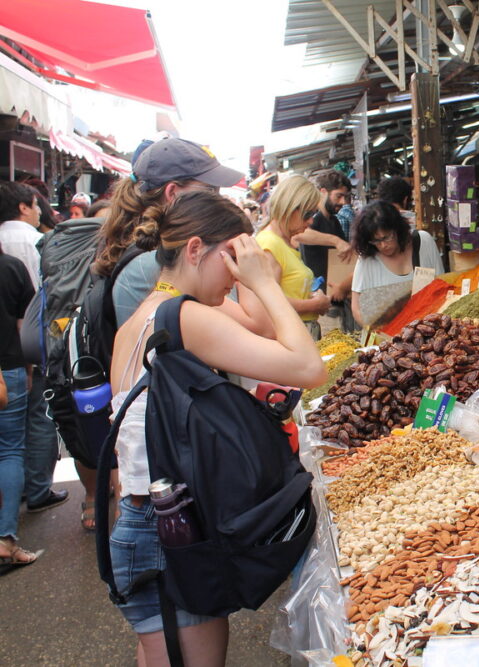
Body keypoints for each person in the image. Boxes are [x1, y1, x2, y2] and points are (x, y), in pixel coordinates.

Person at [109, 190, 324, 665]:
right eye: (231, 260)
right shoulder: (185, 318)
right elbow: (309, 368)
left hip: (143, 520)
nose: (235, 276)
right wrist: (265, 282)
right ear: (193, 250)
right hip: (171, 533)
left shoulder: (140, 320)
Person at [81, 136, 265, 531]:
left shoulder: (148, 257)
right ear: (173, 193)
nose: (218, 199)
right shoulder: (158, 270)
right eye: (209, 190)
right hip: (165, 493)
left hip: (155, 486)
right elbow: (260, 331)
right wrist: (254, 275)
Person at [0, 182, 66, 513]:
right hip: (26, 347)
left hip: (9, 352)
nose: (40, 211)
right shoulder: (35, 240)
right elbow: (36, 302)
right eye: (36, 205)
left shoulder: (5, 239)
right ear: (24, 207)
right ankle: (37, 488)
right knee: (37, 416)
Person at [0, 245, 41, 567]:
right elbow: (21, 326)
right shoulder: (11, 267)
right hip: (8, 367)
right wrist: (28, 370)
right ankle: (5, 539)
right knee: (10, 450)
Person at [255, 175, 331, 339]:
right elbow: (269, 302)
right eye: (307, 214)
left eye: (314, 214)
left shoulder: (283, 242)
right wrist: (314, 304)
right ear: (289, 207)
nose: (311, 221)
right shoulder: (269, 244)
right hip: (292, 336)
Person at [350, 200, 444, 327]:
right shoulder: (367, 259)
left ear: (397, 229)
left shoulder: (423, 242)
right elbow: (357, 309)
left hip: (427, 335)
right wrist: (378, 333)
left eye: (387, 237)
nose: (383, 245)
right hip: (384, 340)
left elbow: (443, 289)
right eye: (376, 241)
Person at [297, 169, 354, 292]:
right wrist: (335, 241)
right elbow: (299, 235)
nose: (343, 202)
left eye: (345, 197)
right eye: (338, 196)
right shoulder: (312, 216)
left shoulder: (334, 220)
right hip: (316, 290)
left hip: (333, 290)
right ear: (323, 192)